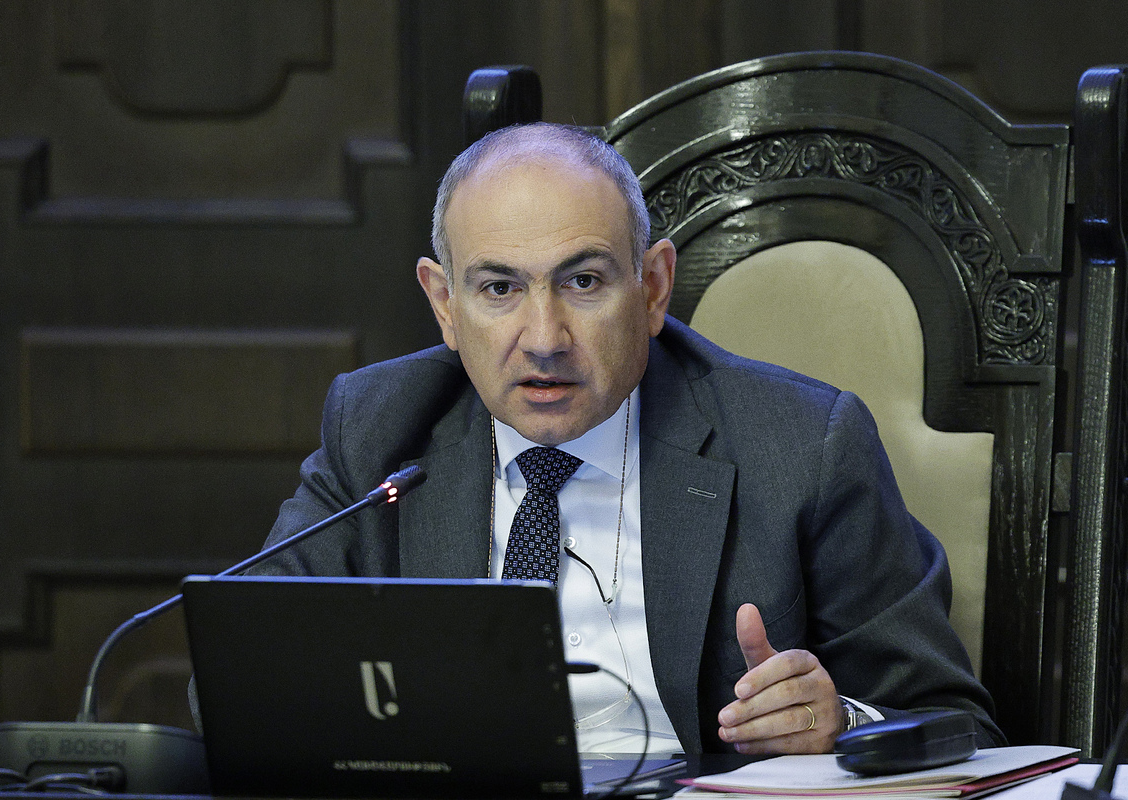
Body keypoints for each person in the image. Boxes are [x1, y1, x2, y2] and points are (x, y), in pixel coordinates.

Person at [245, 122, 1003, 755]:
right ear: (445, 305)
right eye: (500, 288)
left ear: (652, 288)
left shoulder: (801, 445)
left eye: (583, 282)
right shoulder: (377, 428)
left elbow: (955, 722)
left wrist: (840, 722)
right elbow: (245, 679)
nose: (544, 339)